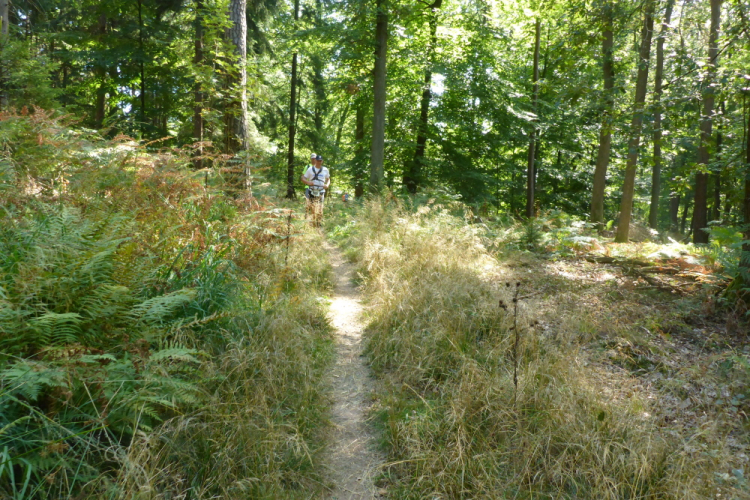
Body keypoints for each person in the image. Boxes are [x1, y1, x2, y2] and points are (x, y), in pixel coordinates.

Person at [301, 154, 330, 227]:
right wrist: (308, 182)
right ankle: (313, 223)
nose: (319, 162)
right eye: (317, 160)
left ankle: (319, 224)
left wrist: (327, 185)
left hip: (321, 191)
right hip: (312, 191)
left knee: (320, 208)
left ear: (322, 161)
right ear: (315, 160)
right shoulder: (310, 169)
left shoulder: (325, 170)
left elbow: (328, 179)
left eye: (320, 161)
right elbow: (303, 178)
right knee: (313, 208)